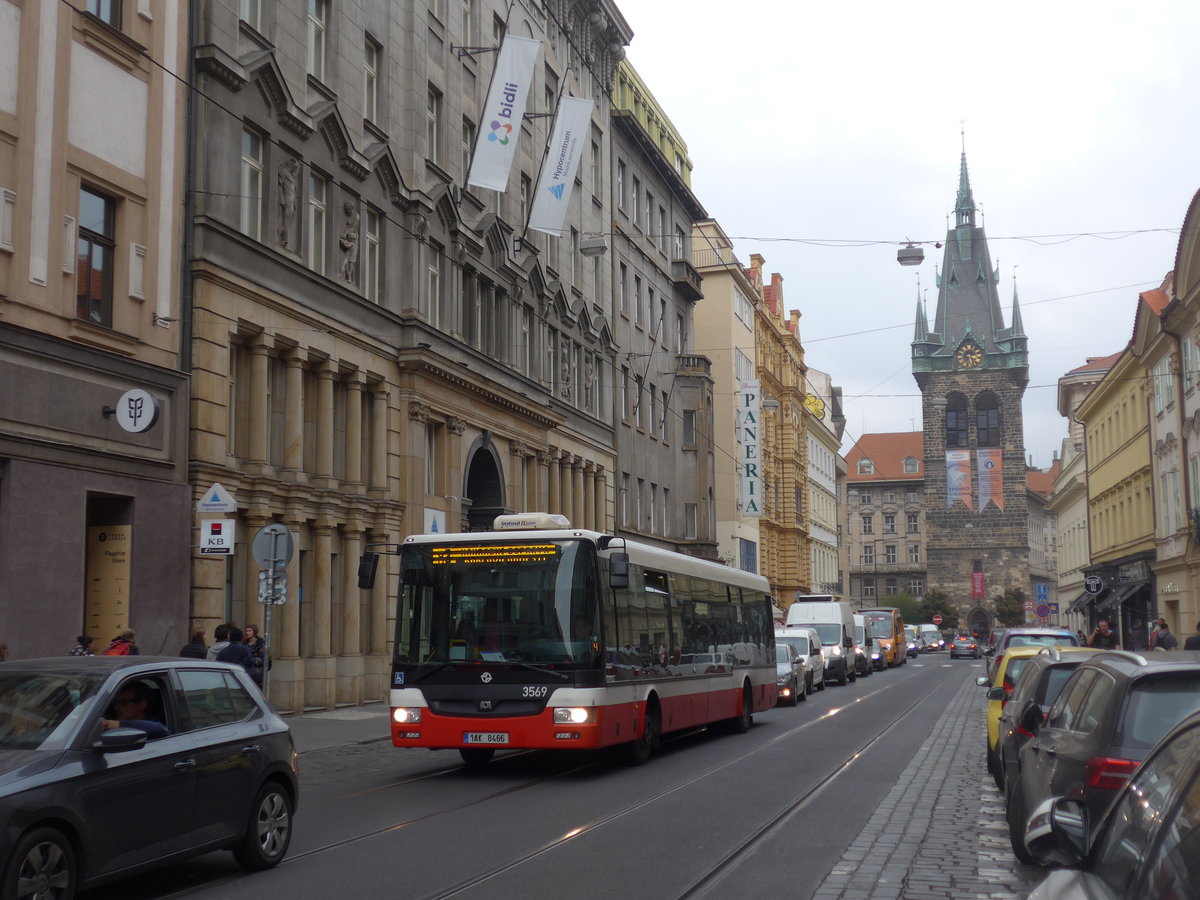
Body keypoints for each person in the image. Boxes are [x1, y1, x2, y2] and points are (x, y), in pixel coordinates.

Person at [100, 682, 168, 738]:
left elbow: (160, 729)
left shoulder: (152, 727)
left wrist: (116, 724)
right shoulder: (111, 719)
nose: (116, 707)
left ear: (142, 705)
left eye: (123, 703)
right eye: (116, 703)